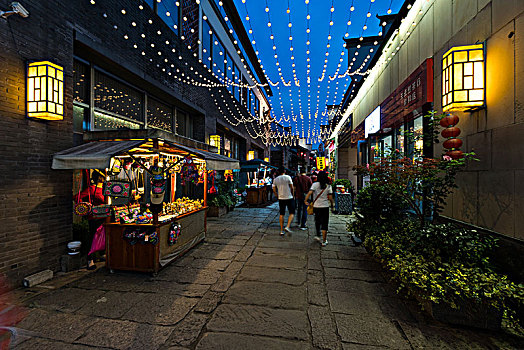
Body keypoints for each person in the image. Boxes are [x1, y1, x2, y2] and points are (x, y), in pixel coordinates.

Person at [74, 170, 106, 270]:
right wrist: (85, 206)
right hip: (94, 217)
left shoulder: (105, 188)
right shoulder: (92, 189)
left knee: (103, 236)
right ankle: (90, 260)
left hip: (105, 216)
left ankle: (102, 254)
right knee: (92, 237)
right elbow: (76, 197)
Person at [304, 171, 334, 246]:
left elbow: (309, 193)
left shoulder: (315, 185)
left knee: (317, 220)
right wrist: (332, 206)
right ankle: (324, 241)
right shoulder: (328, 186)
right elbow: (330, 198)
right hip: (325, 206)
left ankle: (318, 235)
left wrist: (305, 200)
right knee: (324, 223)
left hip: (316, 206)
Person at [272, 167, 295, 235]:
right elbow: (291, 187)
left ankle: (281, 230)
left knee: (282, 214)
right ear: (284, 171)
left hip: (281, 198)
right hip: (289, 197)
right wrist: (293, 195)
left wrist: (277, 194)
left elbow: (273, 189)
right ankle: (287, 226)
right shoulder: (288, 177)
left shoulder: (276, 179)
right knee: (292, 212)